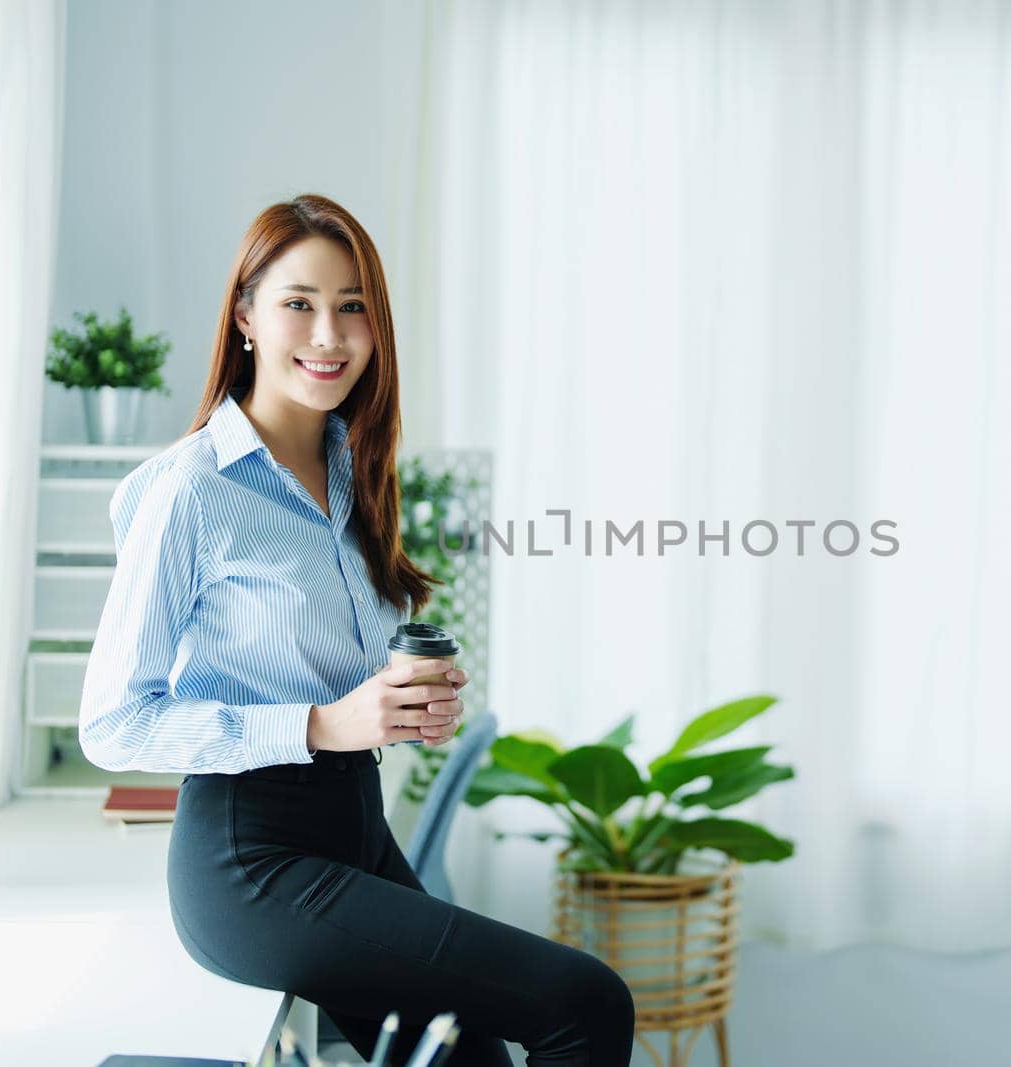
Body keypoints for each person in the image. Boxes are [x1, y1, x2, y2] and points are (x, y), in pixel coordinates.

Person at [78, 193, 636, 1066]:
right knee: (586, 1004)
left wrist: (405, 703)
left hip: (353, 823)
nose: (329, 336)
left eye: (354, 307)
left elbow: (327, 672)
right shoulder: (191, 489)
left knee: (472, 1059)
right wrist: (319, 724)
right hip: (251, 855)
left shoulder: (352, 466)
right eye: (299, 302)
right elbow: (113, 721)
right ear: (246, 316)